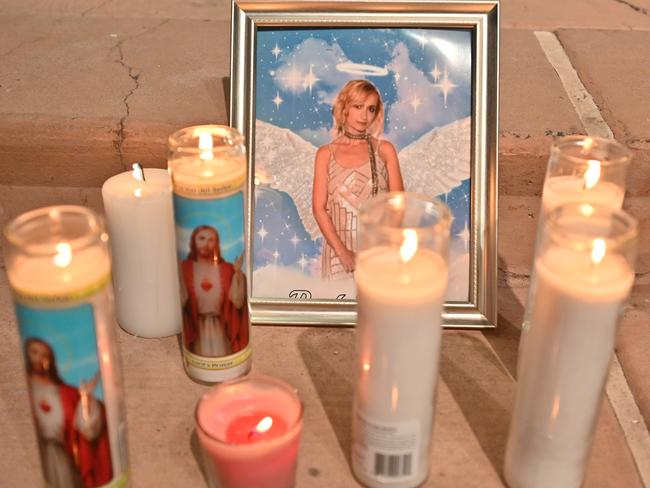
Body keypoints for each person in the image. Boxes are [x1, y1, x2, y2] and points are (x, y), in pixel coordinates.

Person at [312, 79, 404, 280]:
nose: (364, 115)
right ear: (345, 107)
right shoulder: (325, 154)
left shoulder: (385, 150)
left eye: (371, 109)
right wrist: (342, 252)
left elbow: (398, 206)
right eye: (358, 106)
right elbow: (319, 209)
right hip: (338, 256)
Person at [25, 337, 113, 488]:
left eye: (45, 355)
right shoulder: (30, 387)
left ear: (51, 360)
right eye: (34, 352)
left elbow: (87, 429)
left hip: (61, 457)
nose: (39, 358)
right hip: (42, 451)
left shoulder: (66, 393)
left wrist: (86, 399)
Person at [180, 225, 249, 356]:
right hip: (197, 329)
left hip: (220, 327)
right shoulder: (186, 268)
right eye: (201, 238)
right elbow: (182, 301)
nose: (206, 243)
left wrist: (237, 274)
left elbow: (237, 302)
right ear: (193, 241)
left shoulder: (227, 269)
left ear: (216, 243)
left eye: (211, 240)